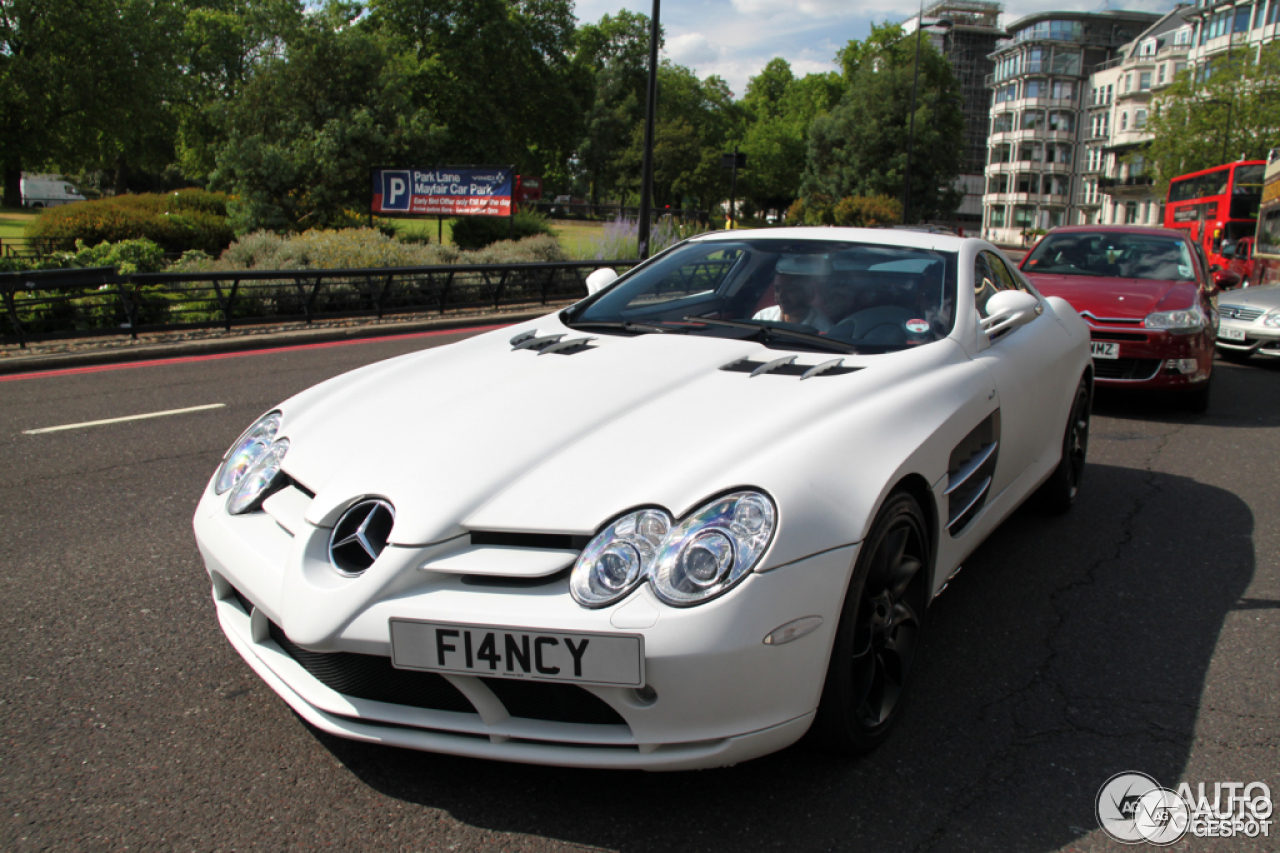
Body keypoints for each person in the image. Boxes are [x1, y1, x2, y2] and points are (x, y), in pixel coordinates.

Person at [752, 255, 833, 330]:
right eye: (777, 289)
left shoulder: (823, 329)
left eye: (790, 290)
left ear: (809, 293)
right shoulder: (763, 317)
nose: (780, 297)